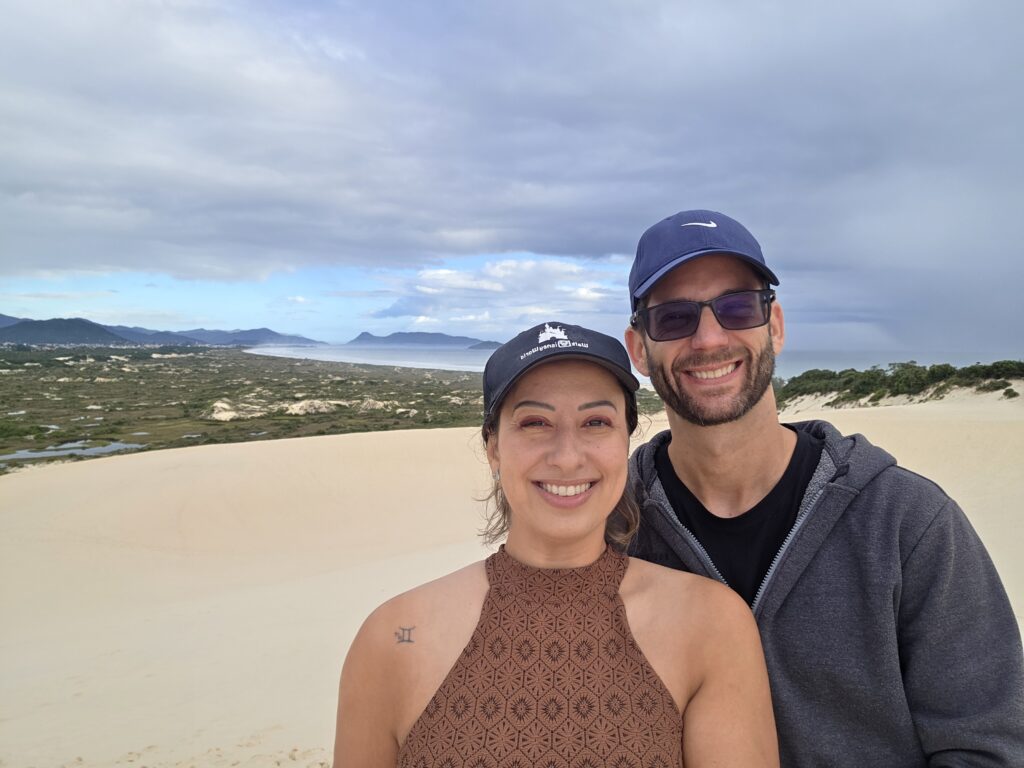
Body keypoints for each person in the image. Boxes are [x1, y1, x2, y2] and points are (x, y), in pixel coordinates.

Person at [622, 209, 1024, 767]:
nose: (710, 338)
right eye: (673, 318)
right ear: (639, 349)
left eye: (738, 307)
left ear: (776, 326)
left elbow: (989, 747)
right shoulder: (611, 533)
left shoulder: (908, 524)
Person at [333, 321, 779, 767]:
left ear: (625, 439)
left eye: (596, 422)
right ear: (493, 448)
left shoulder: (712, 627)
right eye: (535, 423)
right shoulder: (391, 640)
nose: (567, 456)